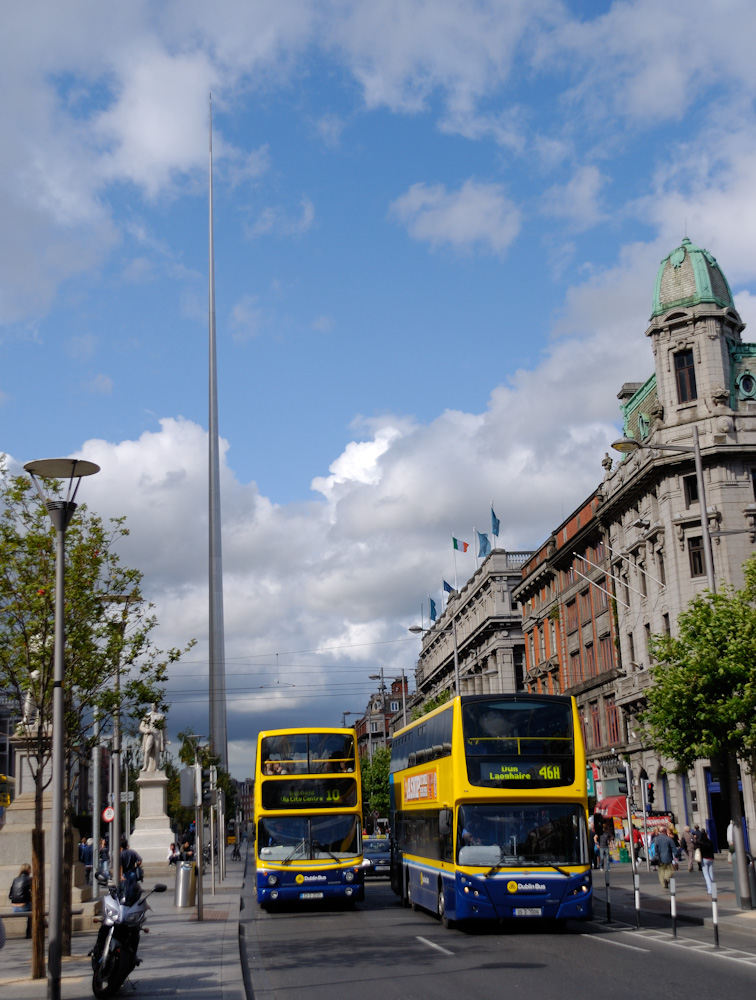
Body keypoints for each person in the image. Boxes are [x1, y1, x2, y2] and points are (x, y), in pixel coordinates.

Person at [139, 703, 165, 772]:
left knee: (157, 751)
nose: (154, 707)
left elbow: (165, 728)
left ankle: (156, 767)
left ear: (157, 706)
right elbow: (141, 727)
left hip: (158, 734)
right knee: (147, 750)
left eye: (155, 706)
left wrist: (166, 739)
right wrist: (146, 730)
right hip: (150, 734)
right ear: (151, 706)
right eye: (152, 706)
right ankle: (145, 766)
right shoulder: (147, 716)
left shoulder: (161, 716)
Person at [9, 863, 32, 938]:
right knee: (33, 912)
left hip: (14, 907)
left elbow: (10, 896)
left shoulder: (15, 879)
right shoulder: (29, 879)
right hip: (24, 907)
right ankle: (28, 933)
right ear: (29, 870)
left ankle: (44, 923)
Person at [698, 828, 715, 894]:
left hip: (704, 858)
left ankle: (710, 889)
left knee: (706, 874)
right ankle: (713, 887)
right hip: (710, 858)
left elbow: (698, 849)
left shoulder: (700, 842)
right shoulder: (710, 841)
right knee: (711, 873)